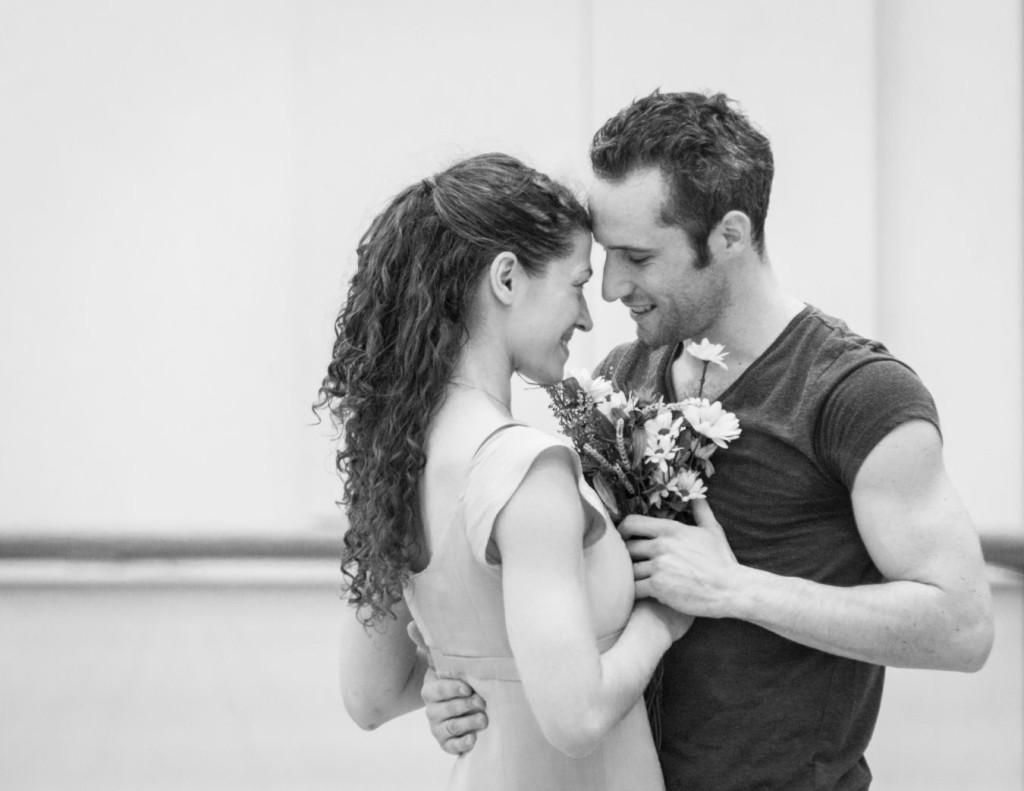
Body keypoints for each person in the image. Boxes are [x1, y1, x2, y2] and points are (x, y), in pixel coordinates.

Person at [418, 92, 996, 790]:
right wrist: (469, 682)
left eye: (637, 256)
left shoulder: (858, 394)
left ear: (728, 235)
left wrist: (739, 589)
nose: (609, 287)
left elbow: (962, 625)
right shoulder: (620, 375)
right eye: (605, 256)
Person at [317, 152, 692, 790]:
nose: (587, 315)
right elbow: (577, 718)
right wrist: (663, 622)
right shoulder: (526, 468)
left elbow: (371, 695)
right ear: (507, 279)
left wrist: (448, 683)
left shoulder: (397, 454)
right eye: (576, 284)